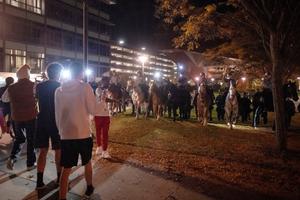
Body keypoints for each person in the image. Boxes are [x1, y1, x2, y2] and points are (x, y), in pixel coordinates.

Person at [55, 62, 96, 200]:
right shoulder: (85, 87)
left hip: (66, 134)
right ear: (81, 73)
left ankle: (62, 197)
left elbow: (57, 114)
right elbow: (92, 109)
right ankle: (89, 188)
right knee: (87, 162)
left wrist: (61, 132)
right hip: (83, 133)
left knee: (66, 168)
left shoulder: (59, 90)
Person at [2, 65, 37, 170]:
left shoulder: (11, 87)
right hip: (31, 116)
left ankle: (12, 158)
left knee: (19, 139)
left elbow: (4, 99)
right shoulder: (34, 85)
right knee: (31, 140)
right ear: (28, 75)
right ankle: (30, 163)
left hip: (17, 117)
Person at [35, 63, 63, 189]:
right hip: (56, 121)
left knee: (43, 151)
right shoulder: (60, 87)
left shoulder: (39, 86)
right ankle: (59, 179)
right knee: (58, 151)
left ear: (47, 73)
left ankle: (39, 181)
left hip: (41, 121)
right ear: (58, 73)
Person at [94, 85, 111, 158]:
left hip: (105, 115)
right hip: (98, 115)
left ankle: (104, 150)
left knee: (105, 133)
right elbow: (97, 102)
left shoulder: (106, 91)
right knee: (98, 132)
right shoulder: (97, 91)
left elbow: (107, 99)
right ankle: (99, 147)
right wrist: (102, 97)